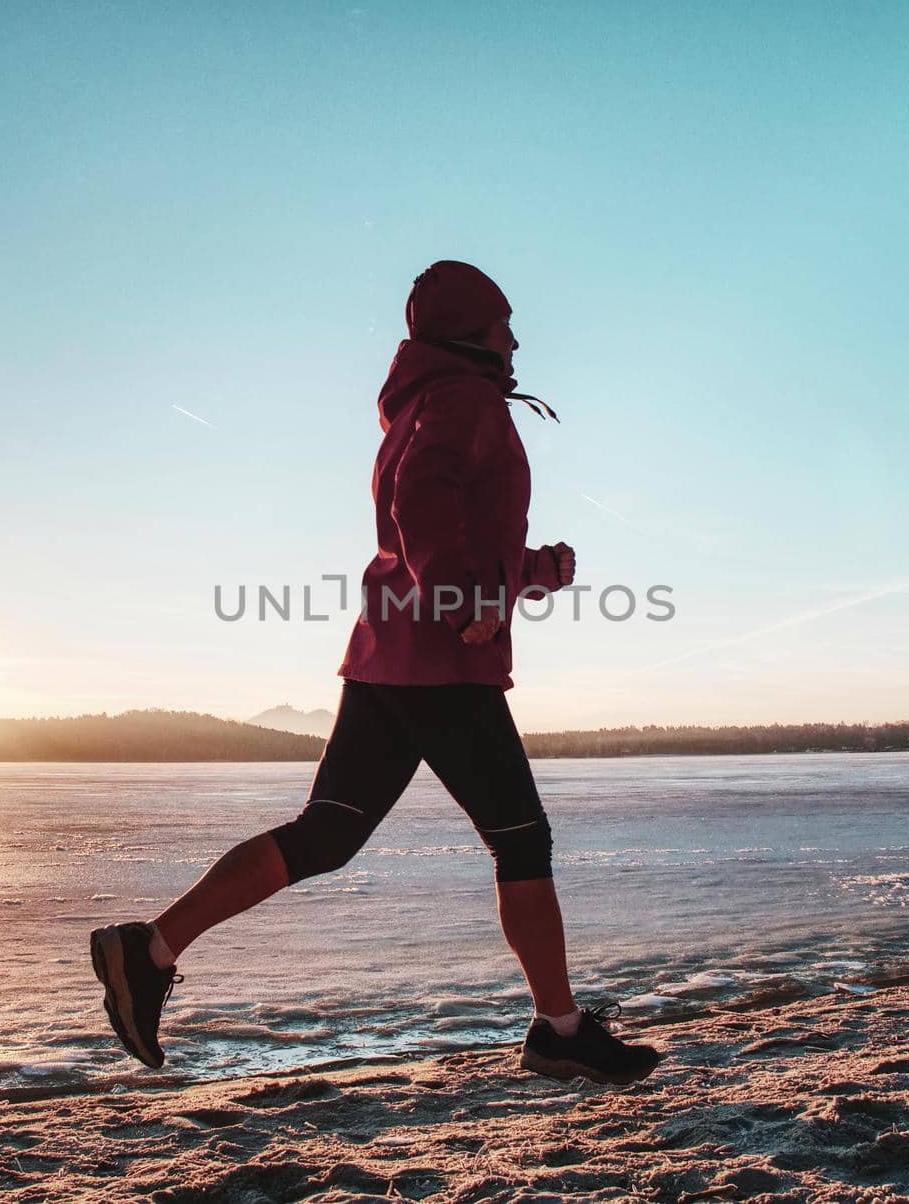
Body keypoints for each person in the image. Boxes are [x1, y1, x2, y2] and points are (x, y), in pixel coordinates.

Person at [91, 261, 661, 1085]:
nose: (515, 337)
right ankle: (560, 1030)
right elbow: (422, 508)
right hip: (442, 666)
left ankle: (148, 950)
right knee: (521, 839)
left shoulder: (430, 402)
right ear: (471, 333)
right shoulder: (463, 400)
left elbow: (441, 528)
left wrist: (536, 570)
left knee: (325, 834)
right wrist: (470, 594)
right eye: (503, 323)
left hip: (390, 655)